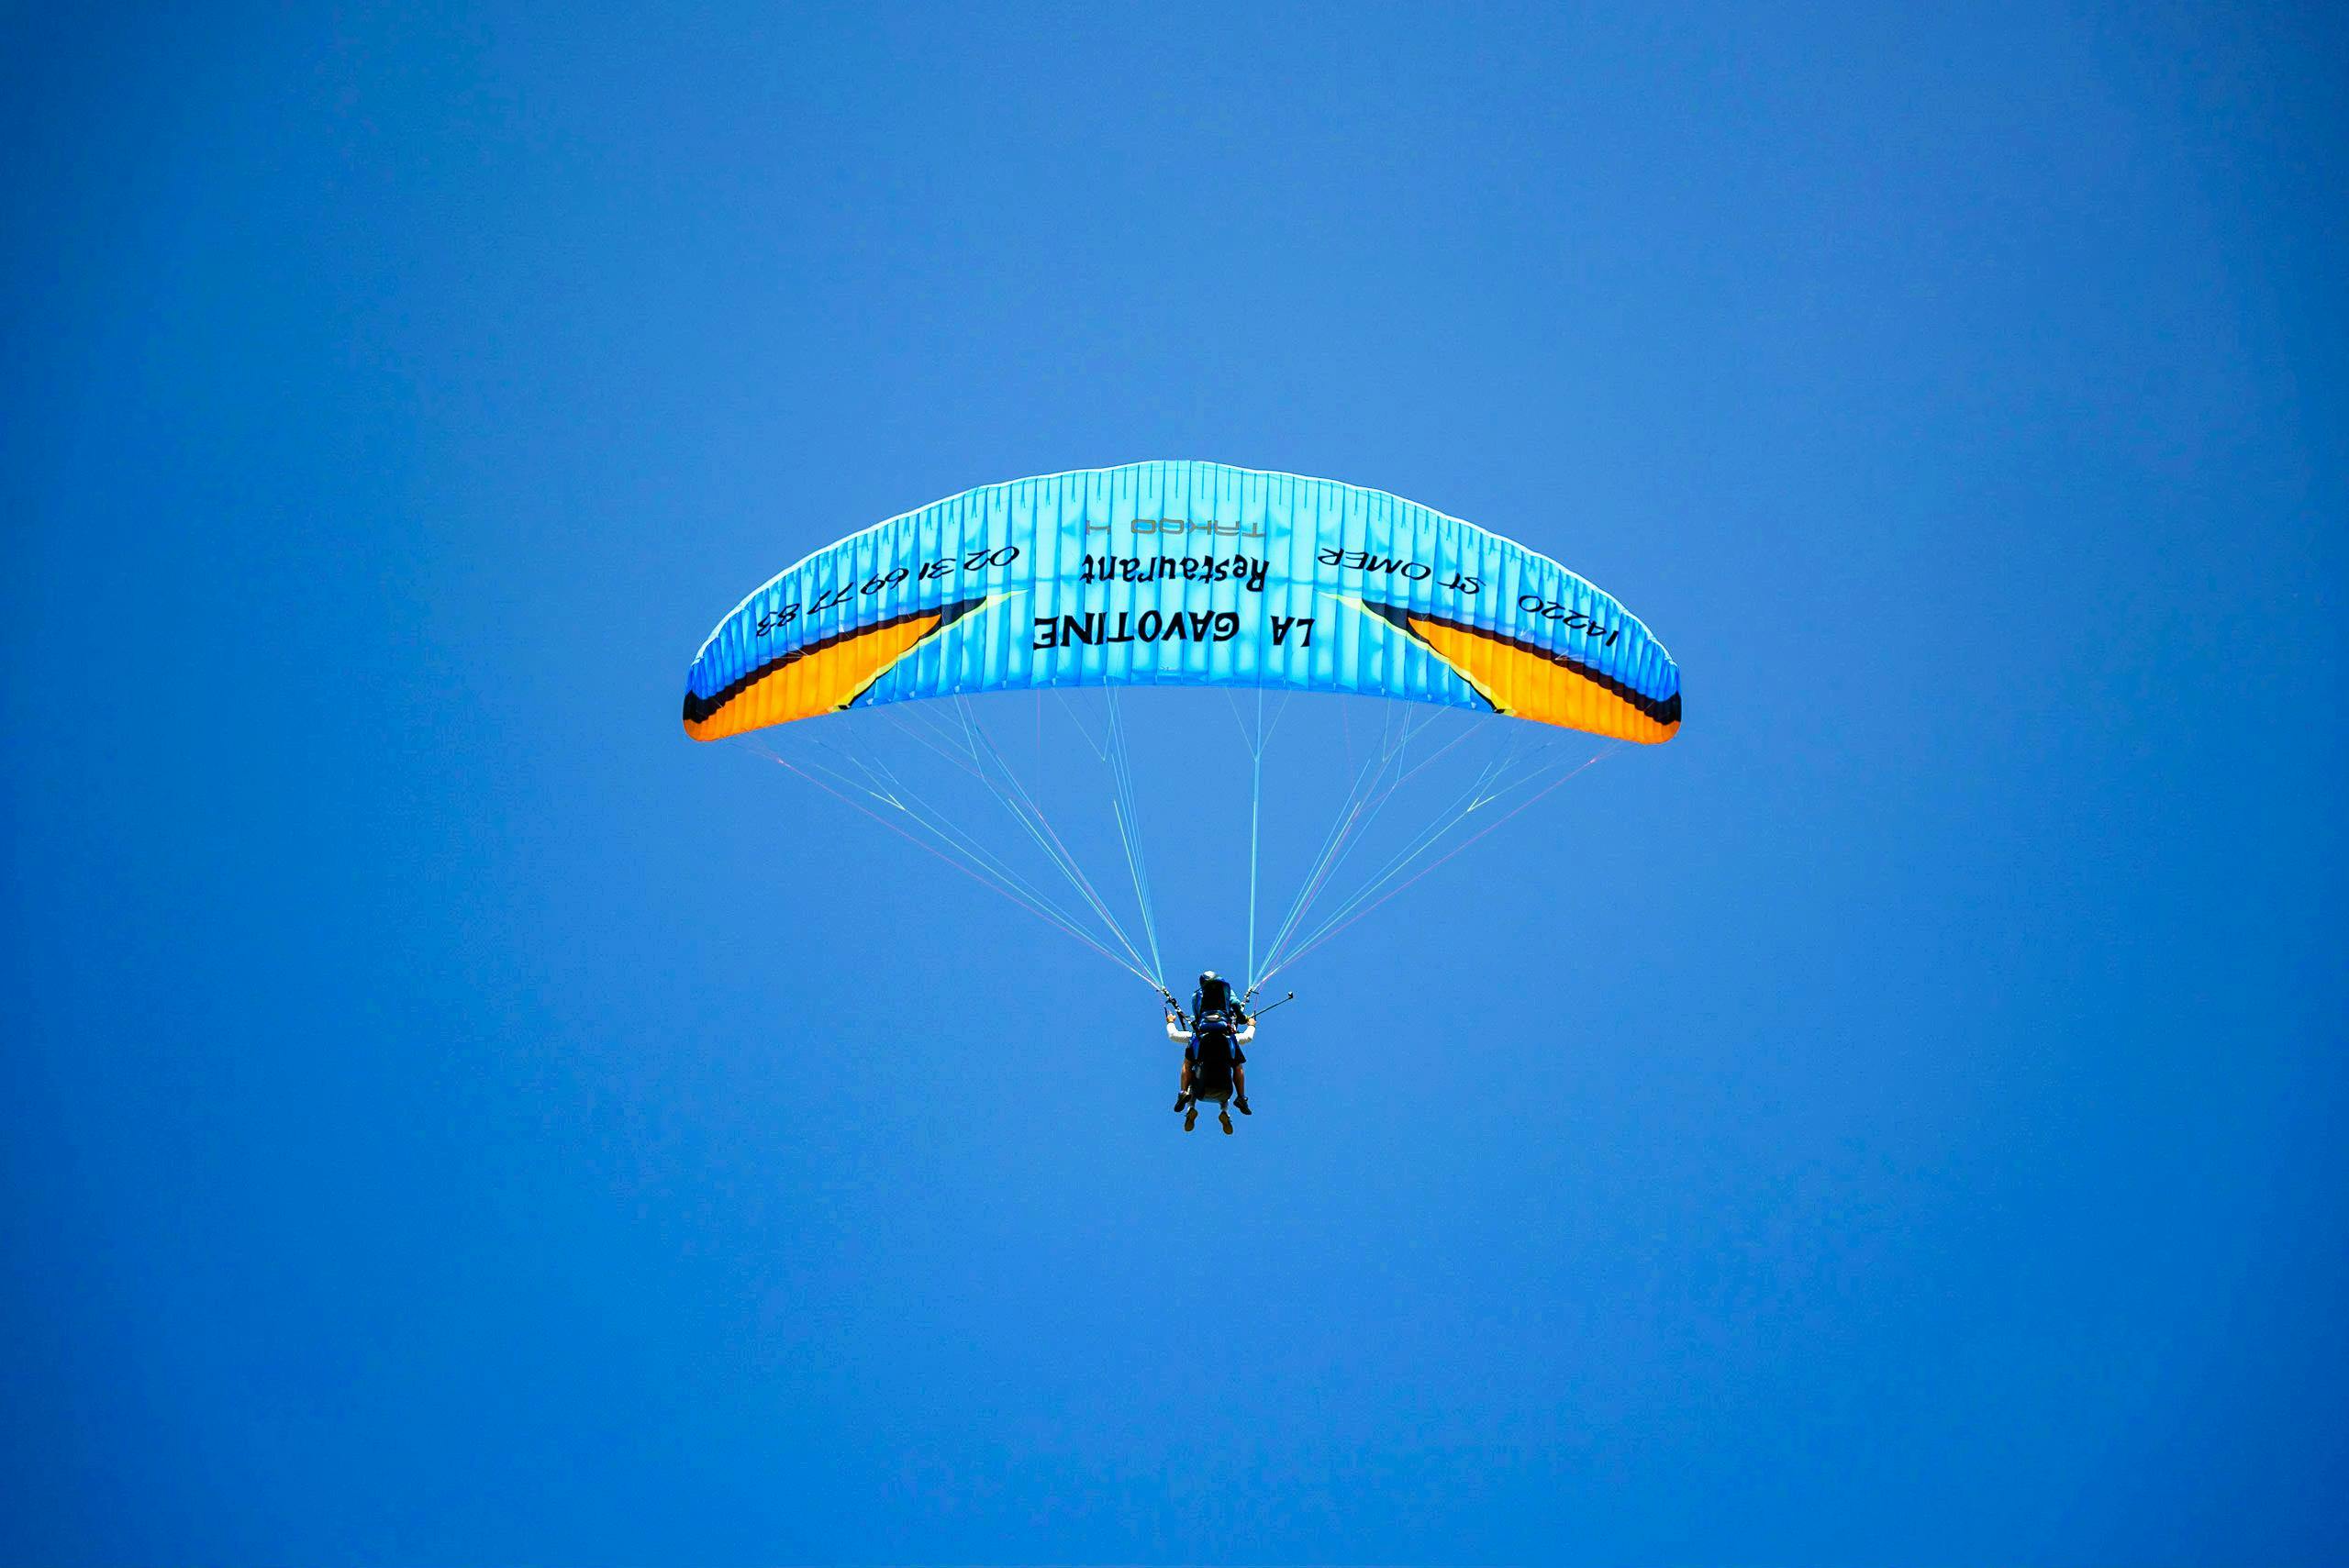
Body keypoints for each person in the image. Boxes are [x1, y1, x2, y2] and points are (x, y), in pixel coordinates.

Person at [1169, 970, 1252, 1133]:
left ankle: (1184, 1093)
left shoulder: (1197, 995)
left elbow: (1175, 1034)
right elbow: (1237, 1008)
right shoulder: (1226, 989)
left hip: (1203, 1033)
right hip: (1225, 1034)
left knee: (1189, 1063)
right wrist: (1248, 1022)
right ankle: (1240, 1099)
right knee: (1236, 1066)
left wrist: (1170, 1021)